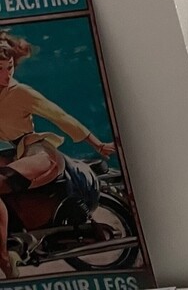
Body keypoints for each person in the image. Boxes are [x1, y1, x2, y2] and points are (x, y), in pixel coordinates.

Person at [0, 31, 115, 279]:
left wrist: (98, 145)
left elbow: (60, 117)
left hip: (39, 152)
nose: (7, 75)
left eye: (10, 68)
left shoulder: (21, 92)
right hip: (18, 152)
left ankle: (5, 260)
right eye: (0, 70)